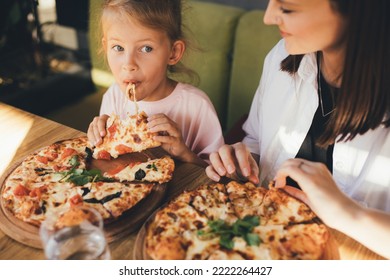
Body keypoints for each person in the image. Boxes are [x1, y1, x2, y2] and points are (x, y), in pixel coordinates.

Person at [206, 0, 389, 257]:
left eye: (287, 7)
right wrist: (243, 160)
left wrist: (348, 213)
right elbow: (256, 138)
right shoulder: (281, 55)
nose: (268, 18)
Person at [87, 0, 224, 166]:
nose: (129, 64)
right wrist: (99, 137)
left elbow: (218, 177)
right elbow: (107, 161)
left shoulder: (197, 106)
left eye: (146, 48)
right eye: (118, 47)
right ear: (105, 46)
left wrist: (183, 153)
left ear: (173, 52)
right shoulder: (114, 95)